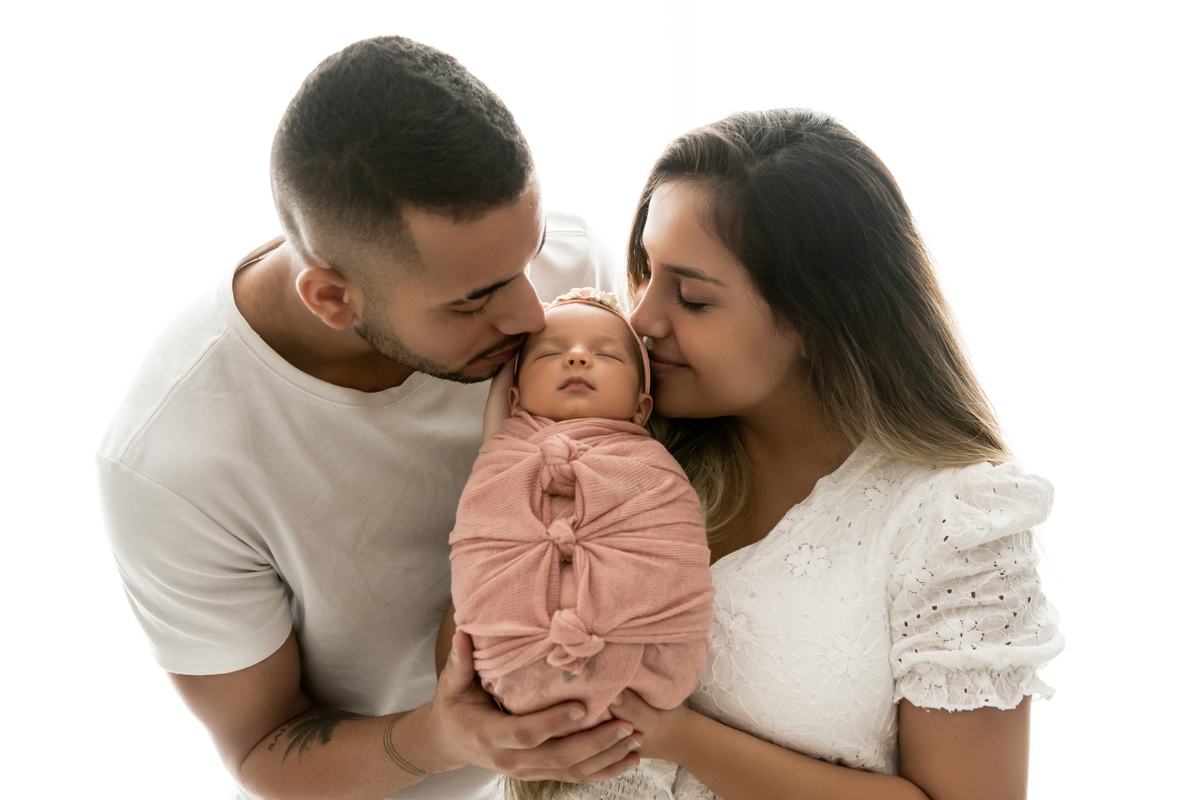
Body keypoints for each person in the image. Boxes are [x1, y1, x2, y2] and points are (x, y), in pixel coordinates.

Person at [95, 37, 642, 800]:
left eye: (531, 254)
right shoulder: (174, 462)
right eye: (472, 300)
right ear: (332, 298)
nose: (529, 313)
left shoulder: (565, 270)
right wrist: (443, 738)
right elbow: (262, 748)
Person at [570, 109, 1065, 800]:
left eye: (692, 297)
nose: (643, 319)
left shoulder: (953, 523)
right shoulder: (618, 447)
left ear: (816, 320)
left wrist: (682, 737)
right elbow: (473, 674)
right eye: (646, 273)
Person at [448, 289, 714, 800]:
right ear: (515, 399)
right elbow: (479, 553)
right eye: (551, 352)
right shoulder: (498, 463)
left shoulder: (654, 471)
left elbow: (672, 556)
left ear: (641, 409)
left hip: (646, 674)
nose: (577, 357)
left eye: (606, 353)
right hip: (516, 674)